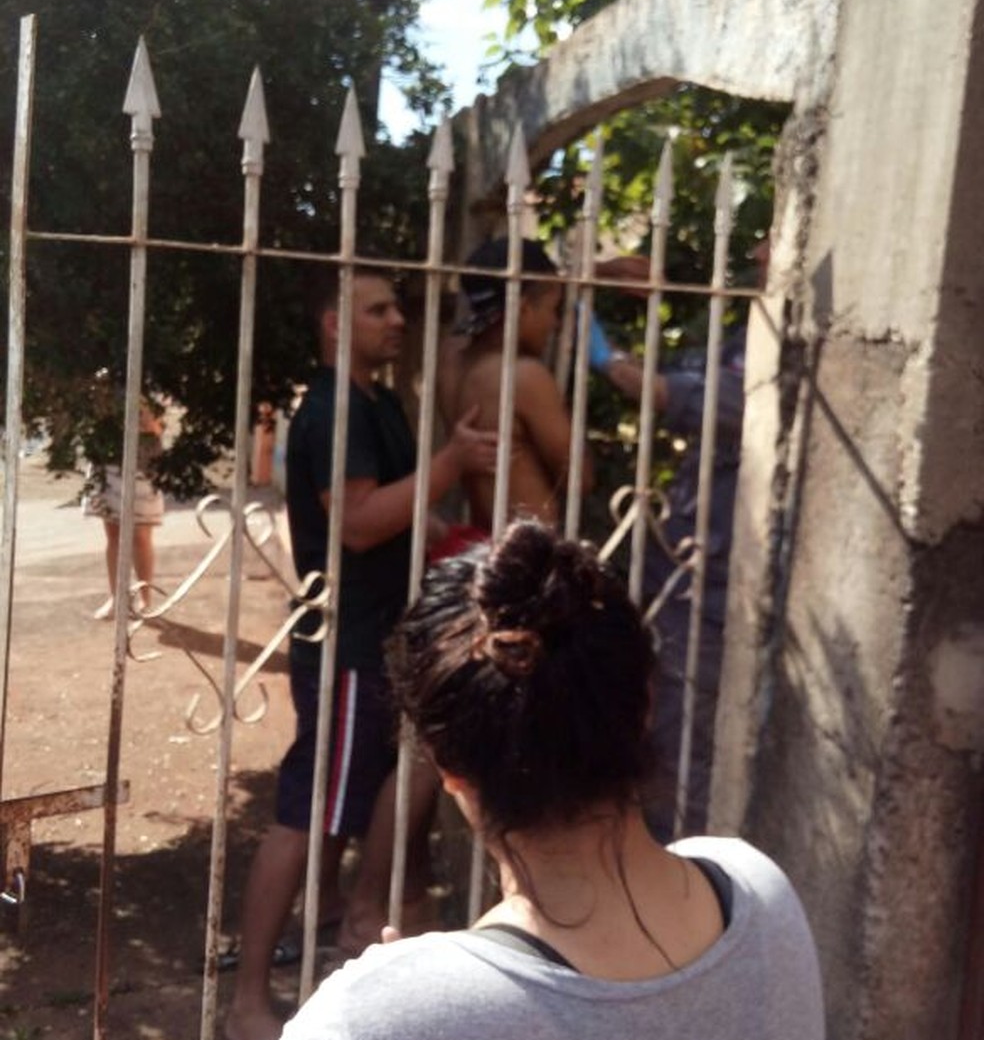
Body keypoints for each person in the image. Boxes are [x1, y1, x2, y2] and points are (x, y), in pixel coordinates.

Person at [280, 520, 824, 1039]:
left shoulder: (374, 1018)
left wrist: (397, 998)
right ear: (645, 706)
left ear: (445, 765)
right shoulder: (760, 892)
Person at [224, 266, 498, 1040]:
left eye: (396, 308)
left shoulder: (374, 400)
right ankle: (248, 1001)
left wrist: (461, 533)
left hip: (379, 633)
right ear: (335, 323)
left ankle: (351, 924)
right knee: (308, 812)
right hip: (343, 641)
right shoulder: (335, 407)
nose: (397, 320)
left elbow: (405, 509)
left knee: (368, 792)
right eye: (378, 310)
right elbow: (360, 522)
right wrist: (452, 463)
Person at [586, 241, 769, 840]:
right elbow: (679, 373)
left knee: (688, 753)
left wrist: (606, 358)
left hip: (717, 595)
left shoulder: (785, 357)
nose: (762, 249)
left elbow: (677, 394)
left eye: (775, 239)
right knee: (651, 731)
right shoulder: (747, 337)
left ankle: (683, 884)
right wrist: (596, 282)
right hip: (677, 578)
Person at [436, 237, 593, 530]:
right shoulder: (523, 377)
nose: (555, 324)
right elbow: (578, 478)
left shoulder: (451, 356)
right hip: (527, 555)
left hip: (481, 546)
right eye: (552, 309)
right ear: (522, 309)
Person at [83, 397, 165, 620]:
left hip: (142, 464)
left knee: (140, 535)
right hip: (106, 462)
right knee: (113, 533)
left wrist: (143, 410)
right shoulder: (101, 382)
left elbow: (156, 428)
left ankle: (145, 599)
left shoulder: (151, 386)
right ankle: (117, 598)